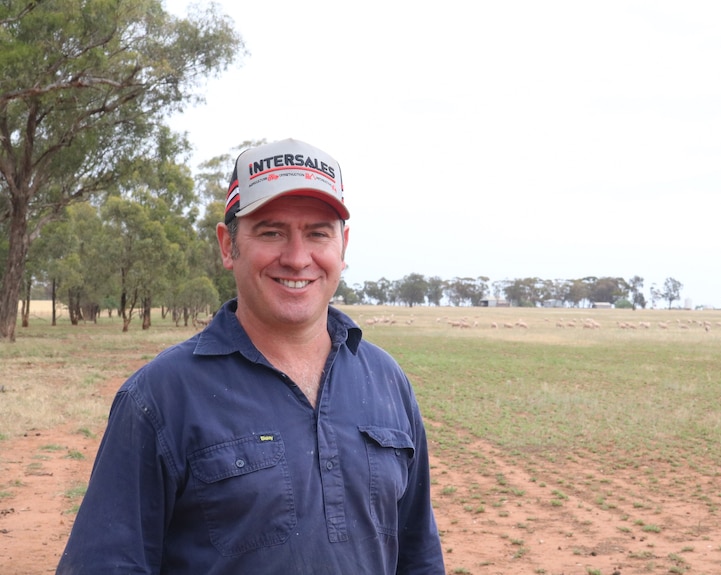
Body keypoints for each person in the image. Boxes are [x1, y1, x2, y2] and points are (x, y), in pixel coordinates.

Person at [56, 138, 446, 574]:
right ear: (228, 246)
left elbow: (419, 556)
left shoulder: (387, 381)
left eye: (318, 233)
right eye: (271, 232)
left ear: (343, 246)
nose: (298, 258)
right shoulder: (159, 397)